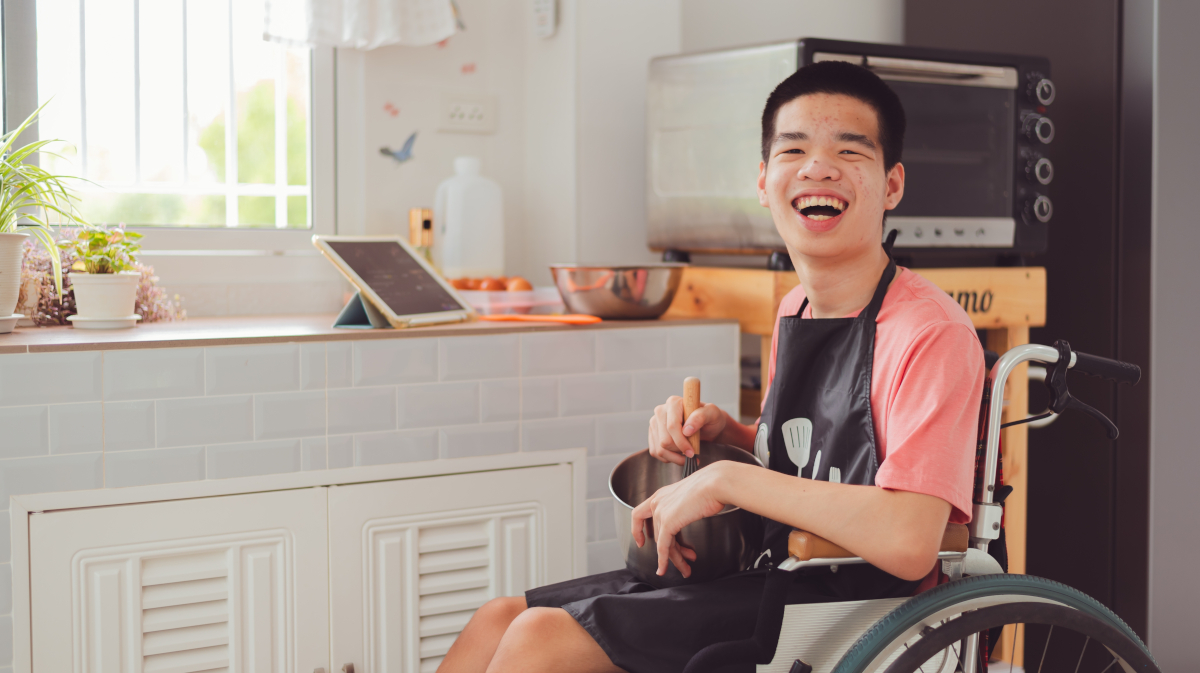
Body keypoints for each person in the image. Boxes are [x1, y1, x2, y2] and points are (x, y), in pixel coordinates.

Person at [437, 60, 986, 673]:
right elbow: (824, 460)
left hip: (849, 605)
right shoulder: (797, 307)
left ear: (891, 185)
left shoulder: (931, 332)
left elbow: (911, 542)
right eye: (794, 148)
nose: (818, 166)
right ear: (763, 179)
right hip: (767, 574)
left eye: (850, 150)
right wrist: (733, 438)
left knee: (539, 638)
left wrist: (728, 481)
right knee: (497, 619)